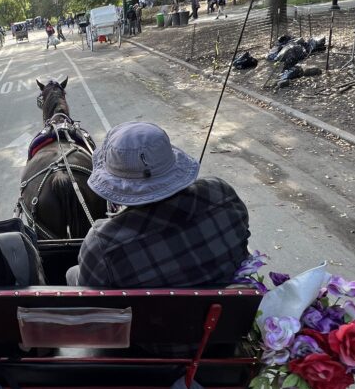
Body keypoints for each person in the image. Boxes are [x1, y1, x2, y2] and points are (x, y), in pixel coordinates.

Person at [65, 122, 249, 289]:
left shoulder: (102, 243)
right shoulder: (221, 193)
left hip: (142, 323)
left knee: (71, 272)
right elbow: (242, 245)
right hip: (221, 318)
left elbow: (89, 295)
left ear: (116, 185)